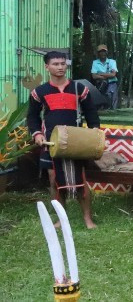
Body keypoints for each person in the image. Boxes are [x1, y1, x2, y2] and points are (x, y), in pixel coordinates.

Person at [27, 51, 101, 229]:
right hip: (50, 143)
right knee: (54, 180)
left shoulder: (79, 89)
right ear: (47, 67)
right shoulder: (39, 92)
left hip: (75, 142)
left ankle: (87, 219)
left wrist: (95, 133)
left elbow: (91, 113)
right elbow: (32, 117)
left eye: (62, 63)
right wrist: (37, 134)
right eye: (55, 64)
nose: (60, 67)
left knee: (81, 180)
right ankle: (61, 218)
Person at [91, 44, 118, 109]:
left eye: (104, 51)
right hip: (100, 85)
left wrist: (100, 73)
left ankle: (113, 113)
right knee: (101, 100)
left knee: (112, 100)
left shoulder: (112, 62)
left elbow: (113, 74)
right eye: (101, 52)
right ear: (98, 53)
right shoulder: (95, 62)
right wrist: (107, 75)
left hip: (112, 84)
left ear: (107, 52)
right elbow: (94, 76)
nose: (103, 53)